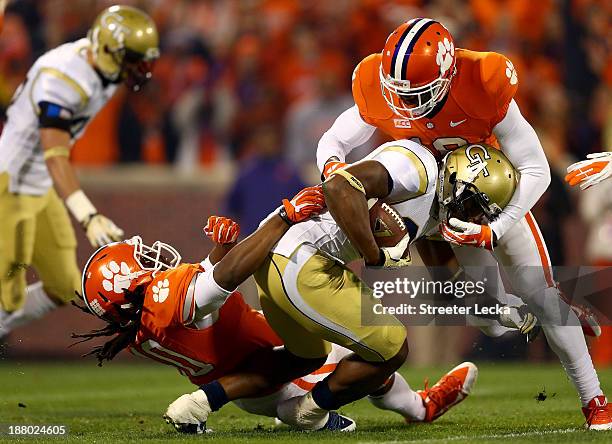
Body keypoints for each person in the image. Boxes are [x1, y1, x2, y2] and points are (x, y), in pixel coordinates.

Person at [77, 189, 475, 433]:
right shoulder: (163, 299)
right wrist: (283, 218)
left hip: (256, 373)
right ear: (129, 286)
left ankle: (312, 410)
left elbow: (204, 308)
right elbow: (223, 282)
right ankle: (412, 408)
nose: (152, 259)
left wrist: (217, 251)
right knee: (370, 355)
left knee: (339, 349)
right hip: (269, 374)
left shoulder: (142, 325)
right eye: (142, 261)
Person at [315, 18, 600, 340]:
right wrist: (332, 170)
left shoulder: (479, 81)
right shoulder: (380, 90)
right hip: (429, 197)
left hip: (478, 191)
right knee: (480, 314)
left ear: (448, 76)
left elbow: (531, 161)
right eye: (398, 91)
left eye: (419, 92)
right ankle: (528, 308)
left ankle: (549, 304)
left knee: (521, 286)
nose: (406, 103)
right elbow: (333, 140)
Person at [0, 5, 159, 337]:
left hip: (39, 185)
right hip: (10, 183)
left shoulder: (104, 69)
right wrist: (88, 216)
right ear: (104, 49)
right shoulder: (64, 77)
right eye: (131, 58)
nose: (137, 68)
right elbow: (55, 155)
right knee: (9, 297)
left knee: (63, 286)